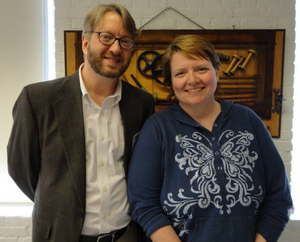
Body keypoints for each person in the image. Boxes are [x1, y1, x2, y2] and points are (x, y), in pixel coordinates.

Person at [7, 3, 154, 242]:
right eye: (106, 37)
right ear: (85, 42)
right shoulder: (38, 99)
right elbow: (21, 169)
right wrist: (57, 204)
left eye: (125, 41)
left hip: (126, 235)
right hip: (60, 235)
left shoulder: (141, 104)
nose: (116, 48)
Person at [128, 35, 293, 242]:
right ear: (170, 82)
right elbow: (144, 204)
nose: (193, 80)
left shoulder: (248, 120)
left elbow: (279, 197)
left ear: (217, 72)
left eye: (201, 69)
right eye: (181, 73)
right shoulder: (157, 128)